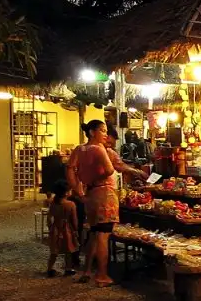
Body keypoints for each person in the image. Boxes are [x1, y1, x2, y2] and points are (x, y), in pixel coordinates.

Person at [67, 120, 117, 287]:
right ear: (91, 132)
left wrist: (78, 189)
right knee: (103, 234)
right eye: (102, 130)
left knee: (94, 232)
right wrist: (96, 180)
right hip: (104, 194)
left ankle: (87, 271)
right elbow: (110, 170)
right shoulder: (98, 149)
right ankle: (102, 275)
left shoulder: (79, 149)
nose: (105, 134)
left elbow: (70, 169)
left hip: (89, 195)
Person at [46, 180, 79, 277]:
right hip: (67, 229)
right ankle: (68, 269)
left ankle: (50, 268)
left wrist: (50, 227)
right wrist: (75, 230)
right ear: (66, 192)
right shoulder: (71, 204)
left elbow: (49, 217)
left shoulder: (53, 203)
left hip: (56, 228)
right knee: (68, 250)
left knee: (54, 251)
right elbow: (74, 220)